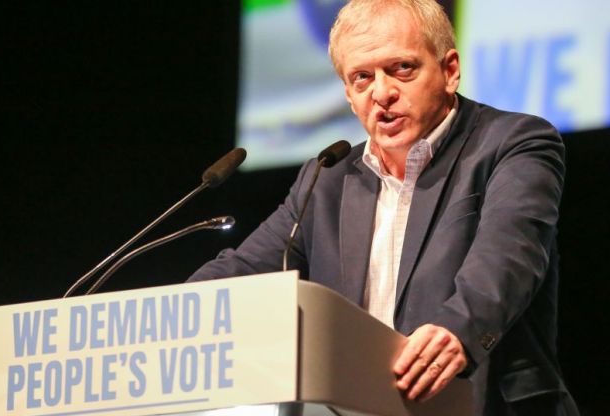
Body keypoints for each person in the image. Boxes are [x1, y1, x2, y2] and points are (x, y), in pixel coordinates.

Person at [188, 0, 578, 414]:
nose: (382, 93)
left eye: (401, 69)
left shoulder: (514, 143)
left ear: (450, 71)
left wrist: (457, 330)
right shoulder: (328, 180)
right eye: (362, 77)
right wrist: (170, 315)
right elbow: (245, 270)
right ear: (349, 94)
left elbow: (509, 257)